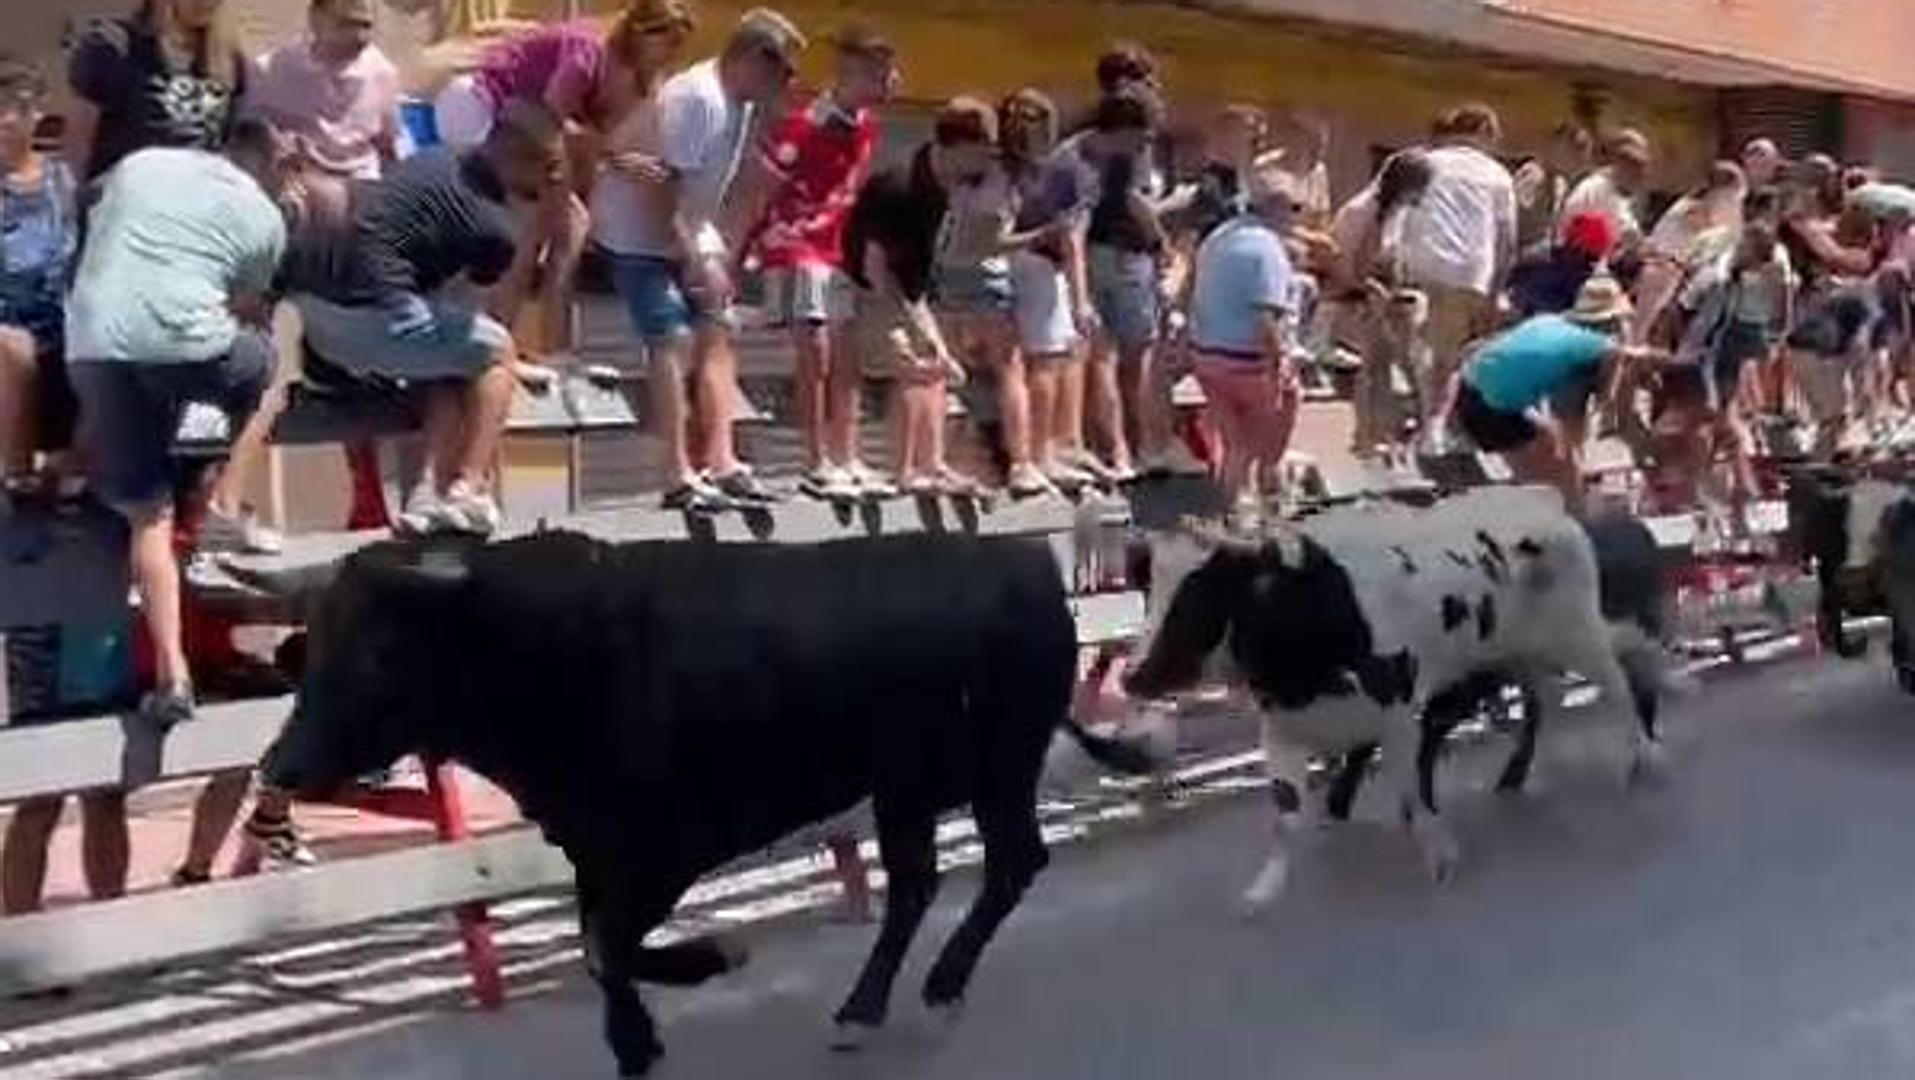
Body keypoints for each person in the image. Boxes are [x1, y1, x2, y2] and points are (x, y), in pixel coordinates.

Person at [59, 120, 293, 888]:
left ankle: (197, 869)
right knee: (89, 784)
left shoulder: (142, 175)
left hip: (106, 355)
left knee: (272, 715)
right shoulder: (254, 224)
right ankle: (112, 914)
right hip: (126, 633)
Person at [283, 99, 569, 538]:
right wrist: (511, 365)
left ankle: (423, 498)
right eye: (548, 165)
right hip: (378, 319)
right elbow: (472, 308)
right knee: (495, 356)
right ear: (511, 154)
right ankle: (467, 488)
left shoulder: (434, 159)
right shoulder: (495, 226)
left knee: (452, 362)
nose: (554, 178)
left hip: (320, 320)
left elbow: (449, 326)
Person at [591, 7, 804, 510]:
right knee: (672, 338)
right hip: (636, 231)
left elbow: (720, 188)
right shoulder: (697, 99)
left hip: (686, 223)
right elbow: (664, 192)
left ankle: (722, 459)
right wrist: (694, 259)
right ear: (750, 58)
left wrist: (719, 255)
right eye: (780, 71)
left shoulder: (742, 102)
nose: (784, 84)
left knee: (718, 328)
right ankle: (675, 473)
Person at [435, 1, 697, 370]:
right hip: (489, 107)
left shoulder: (639, 77)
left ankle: (552, 349)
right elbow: (552, 118)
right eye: (668, 41)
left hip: (537, 129)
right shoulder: (587, 53)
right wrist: (564, 184)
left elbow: (593, 138)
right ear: (642, 33)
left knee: (571, 230)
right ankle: (498, 344)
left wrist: (611, 166)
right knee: (533, 232)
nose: (673, 52)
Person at [738, 24, 897, 500]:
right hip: (796, 247)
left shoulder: (867, 124)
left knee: (848, 353)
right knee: (817, 351)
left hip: (837, 248)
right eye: (883, 74)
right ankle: (814, 459)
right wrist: (745, 251)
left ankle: (847, 456)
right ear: (855, 75)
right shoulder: (806, 124)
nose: (895, 82)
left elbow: (850, 192)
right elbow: (764, 189)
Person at [841, 97, 998, 493]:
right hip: (866, 289)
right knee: (914, 365)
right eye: (982, 151)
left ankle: (933, 464)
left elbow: (915, 276)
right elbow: (875, 266)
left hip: (908, 291)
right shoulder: (901, 184)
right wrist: (911, 324)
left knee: (939, 365)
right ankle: (907, 469)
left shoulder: (944, 189)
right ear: (959, 147)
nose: (987, 162)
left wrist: (933, 335)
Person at [1450, 275, 1662, 514]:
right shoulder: (1594, 346)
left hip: (1470, 389)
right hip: (1492, 406)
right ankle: (1575, 524)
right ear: (1612, 322)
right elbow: (1626, 359)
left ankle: (1552, 514)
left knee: (1547, 446)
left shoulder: (1549, 322)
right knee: (1558, 475)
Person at [1188, 163, 1304, 527]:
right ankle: (1267, 492)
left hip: (1207, 356)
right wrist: (1280, 362)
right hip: (1246, 360)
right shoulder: (1266, 250)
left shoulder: (1219, 236)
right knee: (1281, 408)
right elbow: (1265, 318)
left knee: (1234, 442)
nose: (1298, 217)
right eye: (1296, 208)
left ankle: (1232, 506)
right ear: (1278, 208)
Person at [1396, 103, 1516, 436]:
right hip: (1469, 272)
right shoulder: (1498, 175)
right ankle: (1433, 427)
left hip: (1420, 263)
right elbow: (1507, 242)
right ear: (1485, 133)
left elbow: (1398, 214)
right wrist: (1494, 293)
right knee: (1449, 359)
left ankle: (1418, 409)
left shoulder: (1425, 162)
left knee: (1415, 344)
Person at [999, 88, 1096, 490]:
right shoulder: (1059, 173)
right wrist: (1081, 299)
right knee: (1047, 360)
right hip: (1039, 265)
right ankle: (1041, 453)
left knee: (1028, 362)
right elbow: (1070, 239)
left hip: (1008, 265)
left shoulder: (1002, 167)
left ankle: (1043, 450)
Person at [0, 58, 79, 501]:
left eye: (18, 107)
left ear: (37, 115)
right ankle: (17, 473)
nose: (6, 119)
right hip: (5, 325)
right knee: (15, 347)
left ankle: (69, 459)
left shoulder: (62, 179)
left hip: (61, 317)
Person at [65, 0, 250, 184]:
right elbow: (78, 148)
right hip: (126, 199)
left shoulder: (229, 62)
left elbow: (229, 145)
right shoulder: (112, 47)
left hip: (201, 201)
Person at [245, 0, 402, 210]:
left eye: (365, 26)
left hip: (361, 190)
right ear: (316, 19)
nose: (359, 37)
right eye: (346, 24)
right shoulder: (270, 71)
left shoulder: (382, 74)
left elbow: (388, 148)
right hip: (297, 192)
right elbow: (250, 139)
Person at [1326, 149, 1433, 453]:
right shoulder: (1362, 211)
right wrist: (1363, 289)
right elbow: (1341, 257)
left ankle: (1381, 432)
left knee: (1395, 365)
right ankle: (1365, 434)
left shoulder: (1398, 210)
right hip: (1359, 295)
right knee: (1372, 367)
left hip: (1386, 294)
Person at [1632, 160, 1746, 345]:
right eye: (1731, 195)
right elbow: (1714, 232)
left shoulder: (1694, 204)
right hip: (1661, 269)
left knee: (1645, 330)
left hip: (1667, 270)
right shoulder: (1694, 208)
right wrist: (1731, 222)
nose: (1732, 201)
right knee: (1640, 331)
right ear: (1720, 190)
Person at [1559, 128, 1651, 249]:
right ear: (1618, 162)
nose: (1639, 174)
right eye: (1633, 164)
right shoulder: (1595, 189)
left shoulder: (1621, 195)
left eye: (1641, 166)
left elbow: (1630, 233)